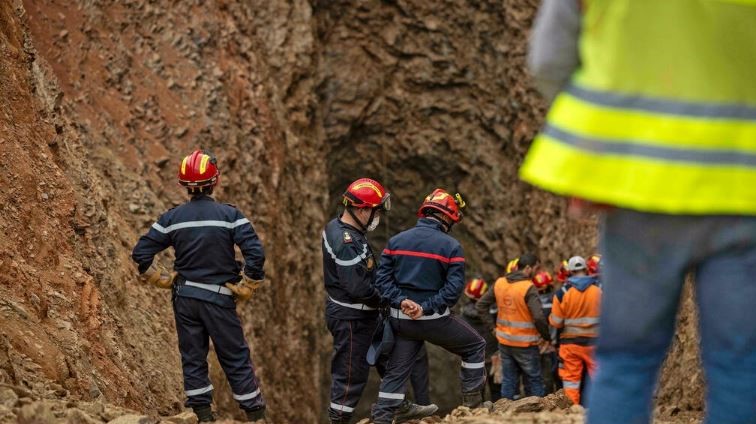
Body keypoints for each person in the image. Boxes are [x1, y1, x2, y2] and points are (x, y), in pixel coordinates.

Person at [522, 1, 756, 422]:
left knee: (626, 360)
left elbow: (548, 59)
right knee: (739, 363)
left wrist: (594, 150)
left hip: (636, 190)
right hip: (742, 188)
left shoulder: (554, 292)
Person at [132, 150, 266, 422]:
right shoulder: (230, 215)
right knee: (234, 356)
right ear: (214, 181)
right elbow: (255, 252)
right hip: (218, 299)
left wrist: (157, 277)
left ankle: (202, 416)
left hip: (185, 298)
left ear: (184, 185)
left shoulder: (172, 219)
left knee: (193, 356)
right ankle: (255, 415)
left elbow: (141, 252)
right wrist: (249, 282)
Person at [322, 178, 435, 424]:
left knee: (390, 357)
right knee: (351, 373)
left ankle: (398, 404)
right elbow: (358, 287)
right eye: (375, 212)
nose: (377, 217)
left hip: (365, 315)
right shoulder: (346, 242)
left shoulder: (343, 230)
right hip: (352, 318)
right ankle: (338, 418)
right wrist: (389, 299)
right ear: (362, 209)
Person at [370, 189, 486, 424]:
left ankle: (382, 418)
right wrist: (425, 308)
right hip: (434, 321)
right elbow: (452, 291)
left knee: (395, 373)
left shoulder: (396, 241)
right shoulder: (451, 246)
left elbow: (381, 281)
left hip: (402, 320)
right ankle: (472, 407)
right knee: (475, 346)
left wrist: (402, 301)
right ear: (447, 217)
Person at [476, 253, 551, 400]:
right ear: (528, 268)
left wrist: (493, 328)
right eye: (536, 268)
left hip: (504, 342)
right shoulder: (528, 288)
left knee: (509, 380)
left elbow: (481, 305)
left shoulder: (500, 283)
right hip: (525, 344)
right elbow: (538, 317)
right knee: (534, 379)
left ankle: (506, 415)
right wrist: (546, 336)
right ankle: (538, 415)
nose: (537, 272)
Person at [550, 256, 601, 405]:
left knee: (571, 382)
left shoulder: (562, 293)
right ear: (586, 269)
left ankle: (571, 413)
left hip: (571, 345)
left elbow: (557, 323)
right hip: (595, 343)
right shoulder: (599, 290)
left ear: (570, 272)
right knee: (599, 377)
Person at [460, 278, 502, 401]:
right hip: (494, 356)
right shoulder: (493, 313)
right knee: (497, 391)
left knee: (477, 392)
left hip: (474, 359)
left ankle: (479, 415)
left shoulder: (463, 316)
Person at [532, 271, 558, 394]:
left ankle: (545, 399)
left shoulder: (533, 299)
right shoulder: (556, 297)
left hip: (539, 342)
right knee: (556, 373)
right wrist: (551, 339)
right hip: (553, 342)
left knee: (543, 375)